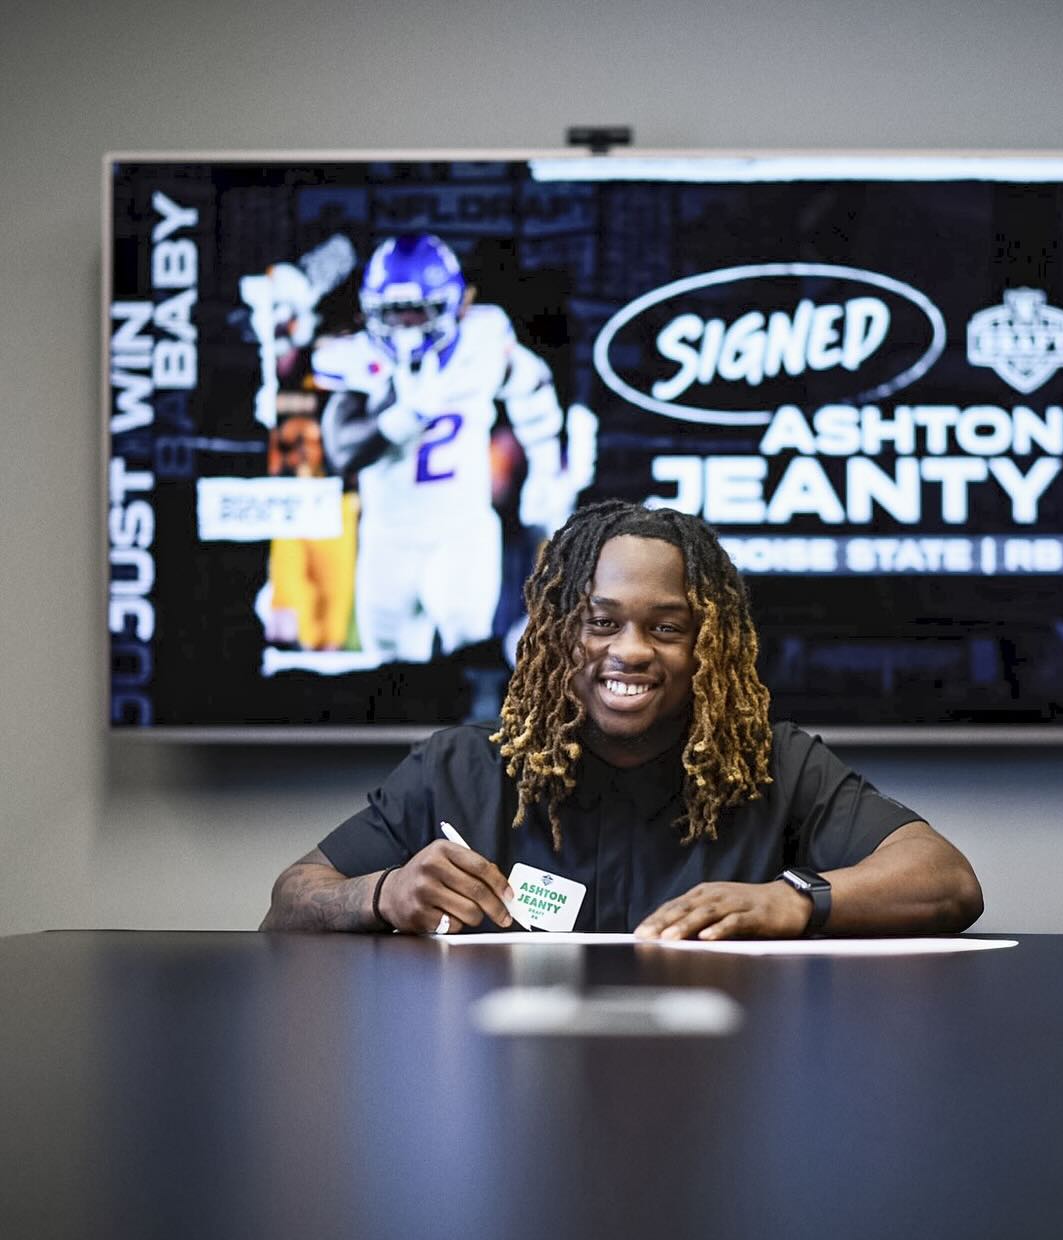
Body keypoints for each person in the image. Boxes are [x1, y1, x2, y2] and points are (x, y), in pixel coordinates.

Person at [260, 501, 983, 938]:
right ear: (555, 634)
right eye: (600, 622)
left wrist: (793, 901)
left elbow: (946, 880)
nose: (630, 651)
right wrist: (381, 893)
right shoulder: (459, 767)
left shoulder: (775, 766)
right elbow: (292, 899)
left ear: (709, 644)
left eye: (666, 628)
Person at [312, 233, 595, 664]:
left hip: (460, 534)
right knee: (387, 668)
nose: (407, 327)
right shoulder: (354, 357)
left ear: (454, 304)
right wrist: (404, 415)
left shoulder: (483, 338)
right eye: (394, 313)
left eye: (418, 311)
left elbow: (532, 388)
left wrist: (544, 467)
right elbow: (341, 452)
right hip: (387, 539)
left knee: (469, 655)